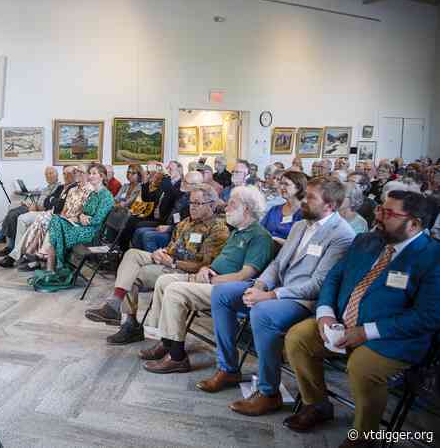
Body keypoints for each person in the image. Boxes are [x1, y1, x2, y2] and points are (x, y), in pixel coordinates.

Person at [283, 191, 440, 448]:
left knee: (362, 367)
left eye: (388, 213)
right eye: (380, 208)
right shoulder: (366, 241)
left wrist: (366, 332)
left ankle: (365, 435)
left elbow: (428, 316)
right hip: (341, 322)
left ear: (414, 224)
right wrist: (325, 316)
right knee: (298, 337)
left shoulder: (433, 257)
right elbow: (334, 277)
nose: (378, 216)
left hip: (393, 337)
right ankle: (317, 404)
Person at [196, 178, 355, 417]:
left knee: (262, 312)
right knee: (222, 293)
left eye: (310, 197)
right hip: (276, 287)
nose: (303, 200)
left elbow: (317, 285)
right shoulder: (301, 225)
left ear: (330, 205)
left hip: (303, 300)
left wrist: (269, 295)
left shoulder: (342, 234)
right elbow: (277, 262)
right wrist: (259, 285)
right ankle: (228, 368)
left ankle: (269, 392)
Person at [139, 186, 275, 373]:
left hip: (228, 289)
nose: (225, 208)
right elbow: (217, 260)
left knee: (175, 290)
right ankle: (168, 342)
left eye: (231, 205)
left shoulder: (260, 236)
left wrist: (214, 280)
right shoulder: (238, 231)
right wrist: (205, 268)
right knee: (164, 281)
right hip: (210, 278)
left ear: (246, 208)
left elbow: (245, 275)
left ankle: (177, 357)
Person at [84, 186, 231, 344]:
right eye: (191, 202)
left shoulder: (218, 229)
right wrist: (161, 253)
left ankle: (130, 324)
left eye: (198, 203)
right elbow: (172, 248)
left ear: (211, 204)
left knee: (132, 275)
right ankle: (116, 304)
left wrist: (173, 262)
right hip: (169, 262)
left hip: (184, 271)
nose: (192, 206)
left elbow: (205, 265)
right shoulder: (186, 223)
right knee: (132, 254)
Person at [0, 166, 78, 268]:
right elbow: (48, 200)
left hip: (49, 213)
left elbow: (57, 205)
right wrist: (51, 201)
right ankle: (14, 250)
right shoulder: (60, 187)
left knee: (25, 219)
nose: (66, 176)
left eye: (69, 174)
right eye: (65, 174)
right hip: (46, 211)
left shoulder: (72, 188)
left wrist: (51, 201)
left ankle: (16, 255)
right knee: (15, 213)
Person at [42, 163, 115, 272]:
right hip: (82, 226)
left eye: (94, 173)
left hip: (92, 232)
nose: (90, 176)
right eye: (90, 173)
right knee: (56, 220)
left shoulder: (106, 196)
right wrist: (81, 216)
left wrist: (84, 218)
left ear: (102, 176)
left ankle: (55, 267)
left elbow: (98, 219)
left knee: (57, 230)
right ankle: (54, 267)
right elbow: (83, 211)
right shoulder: (94, 194)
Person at [0, 166, 61, 257]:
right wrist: (30, 204)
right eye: (46, 174)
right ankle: (8, 244)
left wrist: (36, 207)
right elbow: (40, 201)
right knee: (12, 211)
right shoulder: (47, 188)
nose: (48, 176)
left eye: (51, 173)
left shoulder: (59, 187)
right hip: (34, 206)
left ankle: (8, 244)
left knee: (13, 215)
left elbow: (49, 205)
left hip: (39, 210)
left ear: (57, 175)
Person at [260, 170, 305, 242]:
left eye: (286, 184)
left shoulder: (305, 213)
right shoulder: (274, 210)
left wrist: (280, 242)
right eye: (281, 183)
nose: (282, 187)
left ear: (298, 187)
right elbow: (260, 230)